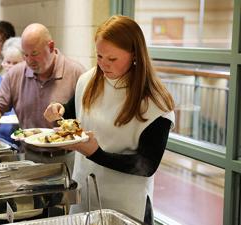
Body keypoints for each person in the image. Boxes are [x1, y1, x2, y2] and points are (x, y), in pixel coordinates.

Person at [43, 16, 175, 224]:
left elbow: (146, 165)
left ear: (134, 55)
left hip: (127, 203)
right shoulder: (87, 80)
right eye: (99, 56)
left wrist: (96, 154)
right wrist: (57, 112)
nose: (103, 64)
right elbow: (71, 115)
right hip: (85, 194)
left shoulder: (155, 103)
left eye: (112, 59)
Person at [0, 23, 85, 173]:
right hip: (30, 157)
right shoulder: (15, 74)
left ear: (50, 47)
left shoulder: (77, 73)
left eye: (35, 54)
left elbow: (89, 114)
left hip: (68, 158)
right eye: (25, 54)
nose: (30, 60)